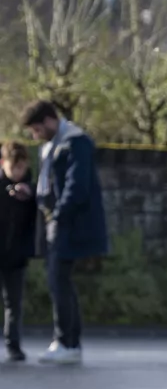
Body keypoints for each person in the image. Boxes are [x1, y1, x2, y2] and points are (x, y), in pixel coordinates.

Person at [22, 100, 109, 364]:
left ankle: (67, 342)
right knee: (60, 282)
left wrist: (58, 215)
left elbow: (76, 186)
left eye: (37, 130)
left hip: (67, 223)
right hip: (55, 222)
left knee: (58, 280)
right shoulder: (53, 146)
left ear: (49, 121)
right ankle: (67, 342)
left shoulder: (75, 142)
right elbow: (50, 184)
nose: (35, 136)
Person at [0, 141, 37, 362]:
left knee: (13, 303)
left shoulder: (30, 188)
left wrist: (29, 196)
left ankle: (13, 344)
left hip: (16, 254)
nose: (18, 173)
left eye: (21, 168)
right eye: (14, 167)